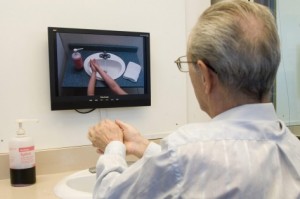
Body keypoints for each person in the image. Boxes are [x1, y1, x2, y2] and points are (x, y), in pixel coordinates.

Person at [88, 1, 300, 198]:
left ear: (205, 75)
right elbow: (195, 169)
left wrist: (113, 146)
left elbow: (110, 193)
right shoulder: (293, 149)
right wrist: (145, 147)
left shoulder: (186, 148)